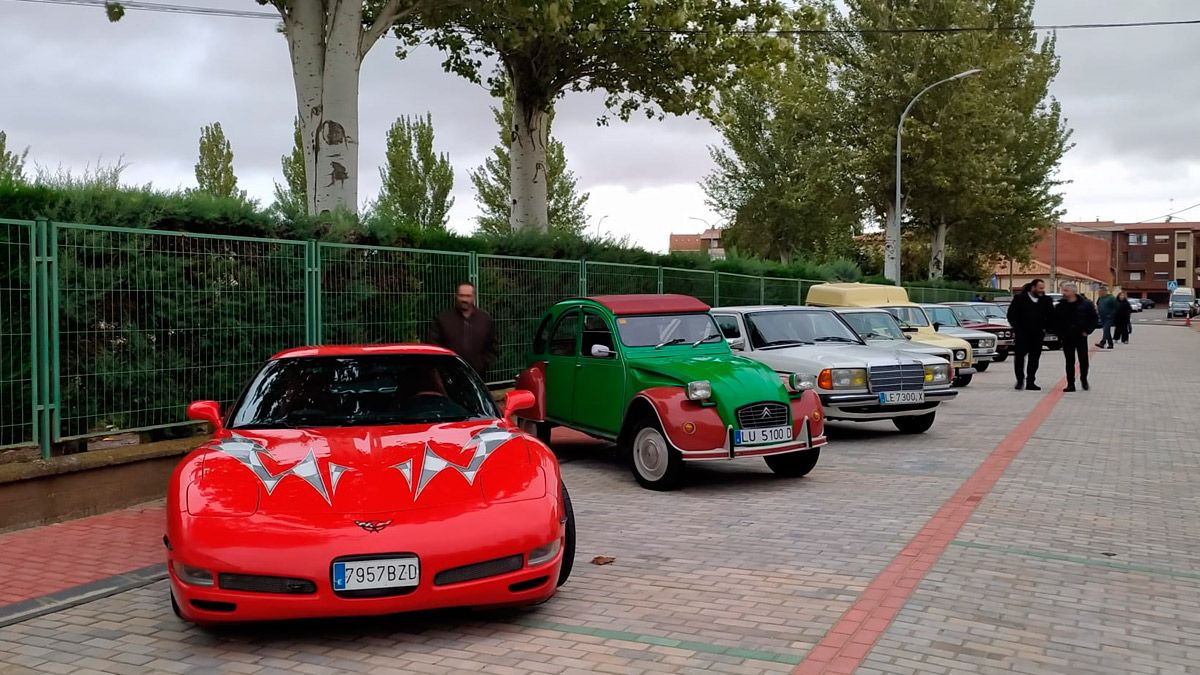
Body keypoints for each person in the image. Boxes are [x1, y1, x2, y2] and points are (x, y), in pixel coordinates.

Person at [426, 281, 499, 381]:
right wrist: (443, 368)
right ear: (456, 296)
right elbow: (434, 347)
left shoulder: (485, 319)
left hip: (477, 378)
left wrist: (484, 365)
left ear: (474, 296)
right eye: (461, 295)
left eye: (468, 296)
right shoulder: (443, 319)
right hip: (449, 377)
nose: (464, 299)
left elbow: (492, 347)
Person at [1006, 279, 1054, 390]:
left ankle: (1031, 381)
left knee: (1034, 358)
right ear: (1033, 288)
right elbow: (1011, 315)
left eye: (1043, 288)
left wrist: (1046, 328)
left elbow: (1051, 316)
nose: (1042, 291)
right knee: (1019, 357)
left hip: (1037, 335)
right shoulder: (1020, 299)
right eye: (1040, 288)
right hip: (1022, 334)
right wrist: (1017, 329)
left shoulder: (1046, 300)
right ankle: (1020, 380)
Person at [1053, 283, 1099, 392]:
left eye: (1066, 291)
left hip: (1080, 336)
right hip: (1067, 337)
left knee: (1083, 359)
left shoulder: (1086, 304)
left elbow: (1094, 319)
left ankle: (1084, 379)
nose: (1063, 293)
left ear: (1073, 292)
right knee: (1069, 361)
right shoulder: (1060, 305)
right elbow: (1055, 321)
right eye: (1063, 290)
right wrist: (1059, 334)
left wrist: (1087, 331)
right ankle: (1070, 384)